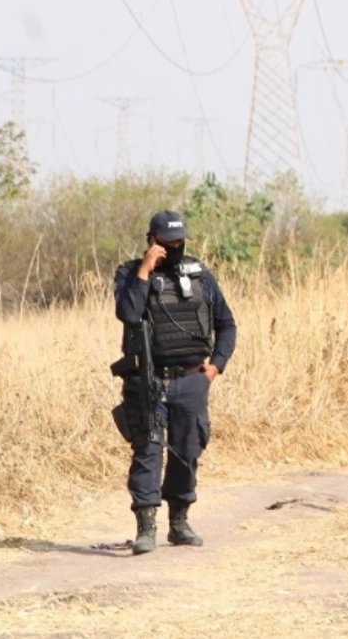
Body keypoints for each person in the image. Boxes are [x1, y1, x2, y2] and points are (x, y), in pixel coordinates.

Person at [112, 210, 237, 555]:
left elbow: (227, 325)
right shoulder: (128, 274)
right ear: (151, 240)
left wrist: (215, 368)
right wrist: (144, 271)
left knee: (187, 452)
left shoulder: (200, 276)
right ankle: (146, 527)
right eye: (166, 243)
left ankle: (179, 522)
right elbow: (129, 314)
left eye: (179, 242)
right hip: (147, 382)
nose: (173, 248)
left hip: (191, 380)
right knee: (148, 451)